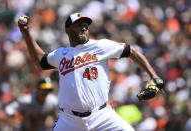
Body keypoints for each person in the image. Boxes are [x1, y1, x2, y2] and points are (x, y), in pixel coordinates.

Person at [18, 13, 163, 131]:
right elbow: (40, 61)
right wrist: (26, 33)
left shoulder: (100, 46)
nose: (83, 28)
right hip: (69, 120)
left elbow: (131, 51)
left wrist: (154, 76)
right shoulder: (60, 54)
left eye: (86, 25)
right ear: (67, 30)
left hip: (101, 114)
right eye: (78, 25)